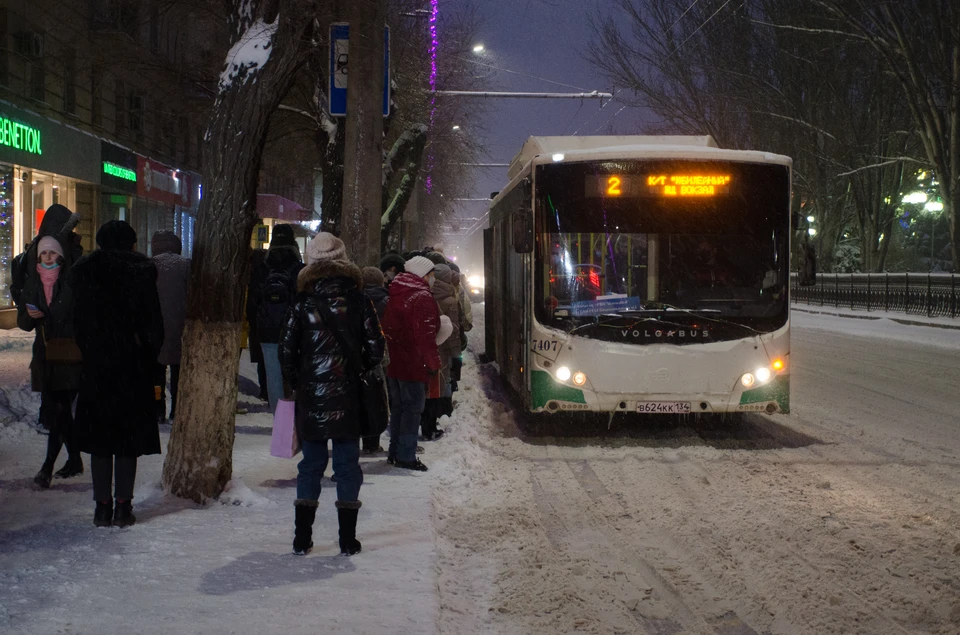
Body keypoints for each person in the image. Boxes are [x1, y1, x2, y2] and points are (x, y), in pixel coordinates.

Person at [279, 233, 385, 556]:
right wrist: (356, 370)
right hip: (347, 398)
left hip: (311, 398)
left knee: (310, 465)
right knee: (347, 466)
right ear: (343, 260)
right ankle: (347, 540)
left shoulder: (302, 302)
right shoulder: (359, 300)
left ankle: (301, 538)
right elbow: (376, 347)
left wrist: (300, 379)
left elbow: (286, 350)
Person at [71, 221, 164, 528]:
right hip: (131, 365)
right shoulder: (141, 272)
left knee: (101, 439)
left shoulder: (86, 272)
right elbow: (154, 324)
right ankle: (123, 506)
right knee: (127, 439)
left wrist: (92, 350)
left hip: (98, 366)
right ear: (131, 243)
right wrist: (146, 355)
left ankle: (101, 507)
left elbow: (79, 323)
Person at [17, 235, 83, 487]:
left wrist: (47, 313)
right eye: (44, 254)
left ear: (61, 257)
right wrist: (31, 316)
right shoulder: (33, 283)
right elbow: (23, 323)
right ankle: (75, 459)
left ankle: (47, 468)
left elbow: (74, 315)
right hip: (45, 356)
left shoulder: (71, 282)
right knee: (59, 411)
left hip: (68, 355)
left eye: (52, 254)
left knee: (59, 409)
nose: (48, 258)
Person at [381, 255, 441, 471]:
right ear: (423, 275)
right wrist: (432, 363)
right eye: (431, 274)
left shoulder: (397, 292)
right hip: (412, 362)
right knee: (413, 409)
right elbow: (425, 336)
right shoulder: (421, 297)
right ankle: (406, 455)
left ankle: (394, 451)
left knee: (398, 409)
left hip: (394, 361)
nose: (433, 278)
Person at [253, 225, 304, 413]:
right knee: (295, 373)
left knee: (273, 375)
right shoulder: (299, 269)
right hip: (294, 330)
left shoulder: (262, 268)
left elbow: (253, 301)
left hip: (267, 331)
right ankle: (296, 414)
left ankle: (279, 417)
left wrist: (257, 324)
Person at [151, 231, 190, 423]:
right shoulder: (185, 265)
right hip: (179, 328)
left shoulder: (150, 265)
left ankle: (158, 408)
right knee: (178, 372)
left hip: (155, 327)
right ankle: (176, 408)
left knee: (157, 374)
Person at [422, 263, 460, 440]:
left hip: (425, 349)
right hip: (442, 351)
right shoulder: (450, 301)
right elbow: (454, 331)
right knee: (438, 388)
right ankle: (432, 425)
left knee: (426, 389)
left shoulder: (425, 295)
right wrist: (456, 354)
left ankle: (427, 423)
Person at [360, 267, 389, 454]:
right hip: (380, 355)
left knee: (362, 400)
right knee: (377, 399)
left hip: (359, 357)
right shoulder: (387, 300)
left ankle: (362, 439)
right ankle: (372, 443)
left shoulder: (356, 299)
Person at [245, 248, 268, 401]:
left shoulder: (249, 276)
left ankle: (264, 391)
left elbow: (250, 306)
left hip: (256, 325)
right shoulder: (269, 274)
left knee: (261, 361)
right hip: (270, 324)